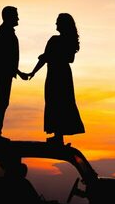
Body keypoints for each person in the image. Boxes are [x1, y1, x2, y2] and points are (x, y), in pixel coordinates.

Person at [26, 13, 84, 145]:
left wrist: (49, 57)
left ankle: (58, 136)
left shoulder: (56, 40)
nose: (56, 24)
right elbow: (48, 58)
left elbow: (53, 58)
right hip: (61, 74)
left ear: (63, 25)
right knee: (57, 102)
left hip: (58, 74)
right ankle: (58, 136)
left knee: (58, 102)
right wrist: (33, 72)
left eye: (58, 22)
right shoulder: (64, 41)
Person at [0, 6, 29, 143]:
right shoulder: (4, 32)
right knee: (1, 101)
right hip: (2, 72)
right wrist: (17, 72)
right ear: (8, 17)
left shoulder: (6, 32)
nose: (18, 18)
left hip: (4, 71)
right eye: (15, 15)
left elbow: (8, 59)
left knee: (2, 101)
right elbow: (3, 58)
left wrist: (18, 72)